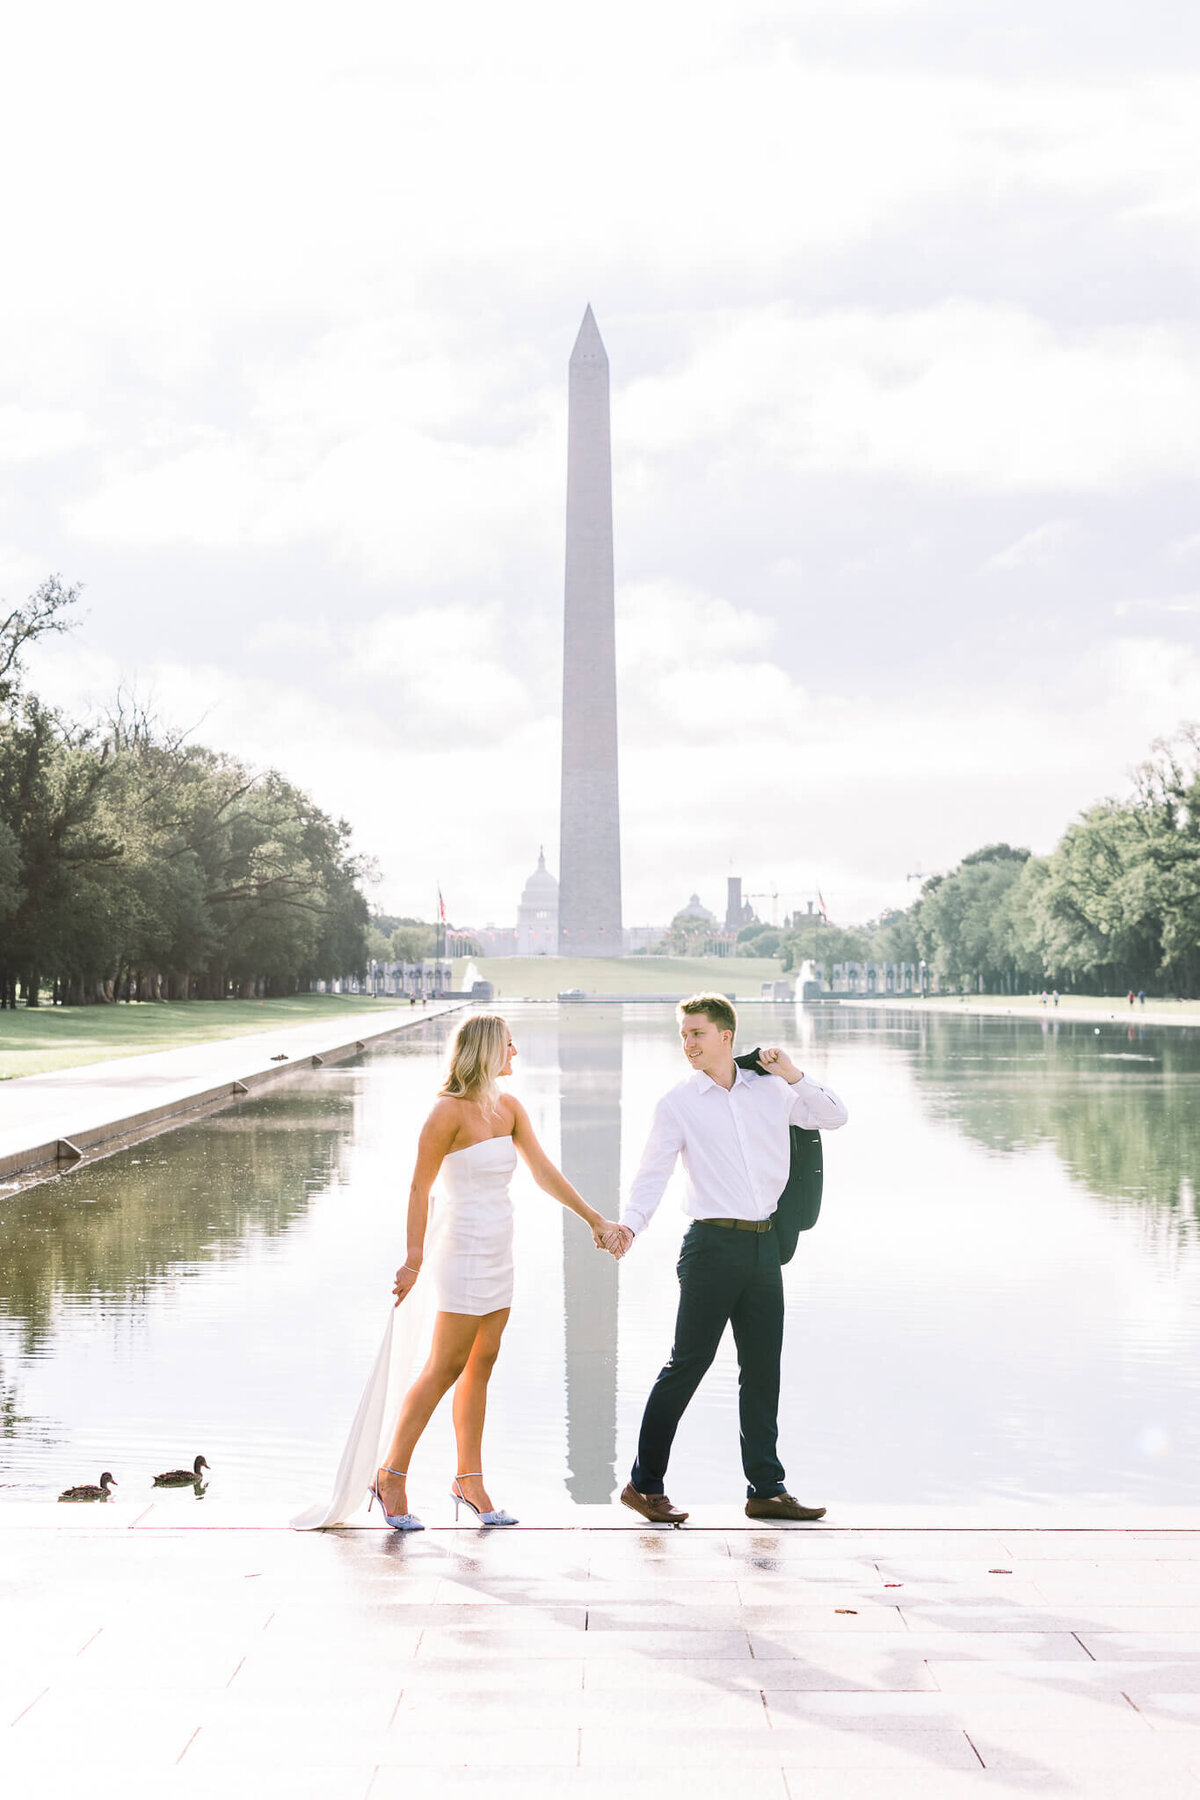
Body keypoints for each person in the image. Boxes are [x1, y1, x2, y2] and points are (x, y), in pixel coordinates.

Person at [370, 1012, 621, 1530]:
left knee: (482, 1361)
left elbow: (544, 1172)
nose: (516, 1054)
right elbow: (419, 1188)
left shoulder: (509, 1108)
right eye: (509, 1045)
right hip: (460, 1251)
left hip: (499, 1249)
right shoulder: (446, 1114)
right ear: (485, 1051)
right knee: (444, 1366)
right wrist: (413, 1259)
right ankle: (391, 1474)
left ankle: (470, 1479)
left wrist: (594, 1219)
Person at [608, 994, 848, 1525]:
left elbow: (834, 1116)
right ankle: (644, 1484)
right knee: (686, 1366)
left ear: (725, 1037)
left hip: (766, 1246)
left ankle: (766, 1489)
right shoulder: (677, 1103)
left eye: (697, 1033)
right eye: (683, 1035)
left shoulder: (771, 1091)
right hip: (710, 1248)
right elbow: (653, 1174)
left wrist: (793, 1072)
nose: (688, 1044)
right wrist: (631, 1225)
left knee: (763, 1371)